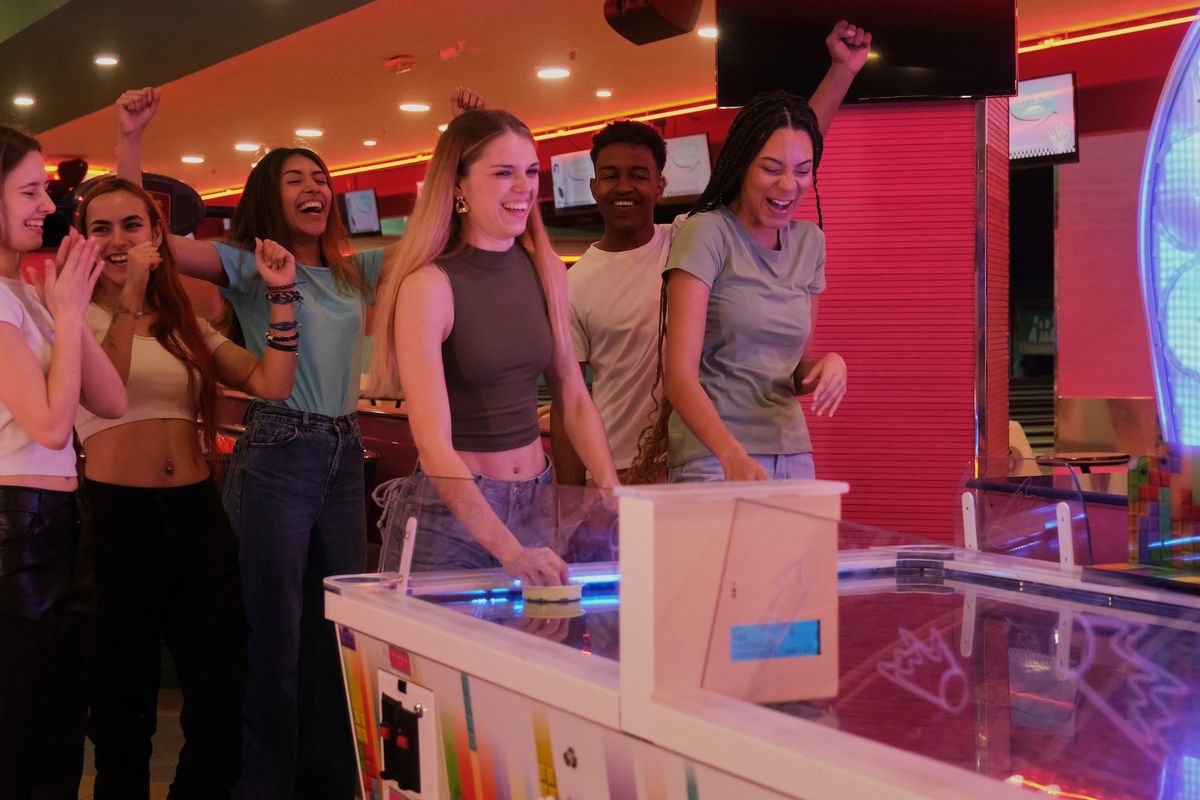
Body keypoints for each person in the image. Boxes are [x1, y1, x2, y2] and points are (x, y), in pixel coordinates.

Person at [113, 87, 385, 800]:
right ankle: (262, 786)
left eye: (320, 176)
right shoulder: (250, 265)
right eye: (295, 178)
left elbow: (435, 244)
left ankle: (330, 780)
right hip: (279, 451)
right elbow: (148, 242)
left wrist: (464, 141)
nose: (314, 187)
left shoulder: (357, 272)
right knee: (271, 634)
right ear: (270, 197)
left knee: (337, 631)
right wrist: (131, 142)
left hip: (342, 453)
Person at [555, 20, 871, 485]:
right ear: (592, 186)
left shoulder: (686, 232)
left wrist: (841, 74)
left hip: (741, 452)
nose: (625, 187)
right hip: (644, 459)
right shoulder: (687, 239)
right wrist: (571, 500)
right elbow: (571, 397)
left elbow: (789, 145)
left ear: (660, 185)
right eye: (611, 175)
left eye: (639, 175)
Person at [74, 176, 299, 800]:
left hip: (198, 521)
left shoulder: (183, 322)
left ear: (156, 236)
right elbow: (105, 391)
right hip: (118, 523)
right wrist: (132, 296)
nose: (119, 240)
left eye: (132, 226)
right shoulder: (69, 314)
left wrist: (283, 299)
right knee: (122, 715)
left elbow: (269, 382)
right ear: (84, 240)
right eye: (102, 228)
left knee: (222, 697)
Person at [370, 108, 618, 586]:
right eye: (503, 173)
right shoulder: (429, 283)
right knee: (439, 662)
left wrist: (611, 488)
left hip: (535, 500)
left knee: (529, 655)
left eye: (530, 171)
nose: (524, 187)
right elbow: (433, 444)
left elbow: (572, 393)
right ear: (457, 185)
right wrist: (510, 552)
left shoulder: (544, 266)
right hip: (452, 517)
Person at [0, 126, 127, 799]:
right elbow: (50, 425)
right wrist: (67, 312)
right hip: (16, 531)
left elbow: (110, 397)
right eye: (27, 190)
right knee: (18, 734)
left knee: (54, 731)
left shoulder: (25, 295)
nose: (47, 204)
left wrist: (69, 314)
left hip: (60, 525)